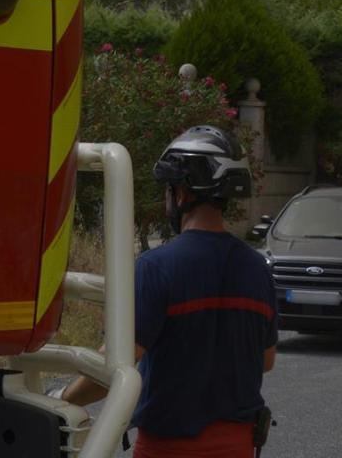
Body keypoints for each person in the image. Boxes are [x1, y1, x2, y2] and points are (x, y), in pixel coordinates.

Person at [61, 126, 275, 457]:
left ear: (182, 194)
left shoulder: (156, 267)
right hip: (239, 447)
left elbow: (112, 370)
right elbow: (265, 360)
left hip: (168, 449)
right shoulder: (257, 268)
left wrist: (62, 400)